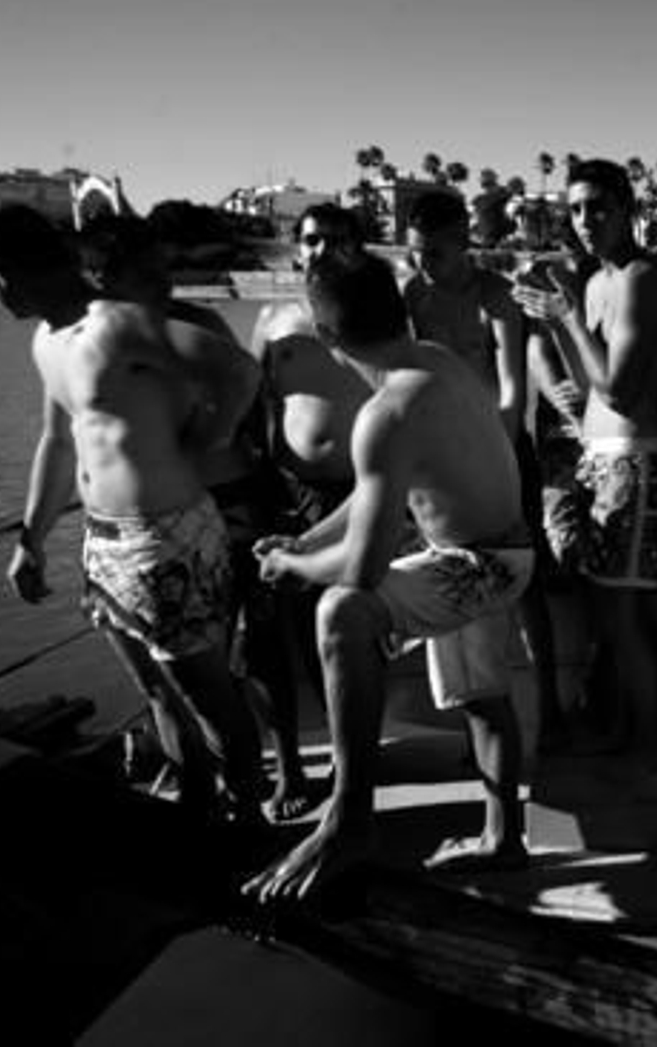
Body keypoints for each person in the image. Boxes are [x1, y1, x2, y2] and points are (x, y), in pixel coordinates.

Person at [243, 251, 535, 903]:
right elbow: (381, 489)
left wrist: (290, 565)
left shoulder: (386, 412)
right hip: (501, 555)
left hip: (478, 565)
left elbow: (364, 570)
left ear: (325, 338)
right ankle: (504, 841)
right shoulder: (435, 360)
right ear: (400, 311)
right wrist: (304, 538)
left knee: (341, 612)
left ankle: (350, 822)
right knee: (482, 699)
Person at [0, 203, 265, 821]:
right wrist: (30, 537)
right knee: (156, 692)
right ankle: (196, 808)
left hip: (164, 538)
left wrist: (206, 444)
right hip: (102, 541)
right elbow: (58, 441)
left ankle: (248, 816)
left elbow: (237, 370)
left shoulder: (118, 325)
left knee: (208, 696)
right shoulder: (47, 340)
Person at [78, 212, 316, 818]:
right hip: (151, 526)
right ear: (104, 278)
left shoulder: (198, 326)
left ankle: (287, 763)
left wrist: (200, 446)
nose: (164, 285)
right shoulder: (92, 342)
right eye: (147, 275)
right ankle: (197, 779)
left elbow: (246, 398)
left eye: (166, 272)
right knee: (169, 668)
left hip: (229, 498)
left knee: (260, 646)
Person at [513, 159, 657, 760]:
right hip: (599, 461)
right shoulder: (593, 283)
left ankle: (646, 740)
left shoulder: (642, 279)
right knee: (608, 620)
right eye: (577, 209)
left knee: (624, 622)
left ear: (628, 210)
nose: (586, 221)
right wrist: (554, 324)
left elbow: (618, 389)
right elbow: (588, 385)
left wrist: (563, 315)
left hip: (633, 466)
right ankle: (624, 728)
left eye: (599, 207)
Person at [402, 191, 563, 756]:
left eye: (437, 253)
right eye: (416, 253)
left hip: (498, 448)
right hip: (437, 458)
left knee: (528, 583)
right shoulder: (413, 296)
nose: (425, 265)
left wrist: (487, 448)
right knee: (448, 569)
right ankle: (473, 701)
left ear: (464, 245)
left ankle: (551, 701)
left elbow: (513, 388)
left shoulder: (493, 297)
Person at [247, 203, 373, 818]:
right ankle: (290, 765)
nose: (320, 250)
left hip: (351, 493)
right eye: (311, 240)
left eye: (334, 240)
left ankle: (354, 768)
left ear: (357, 246)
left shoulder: (371, 316)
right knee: (272, 636)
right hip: (283, 491)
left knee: (344, 629)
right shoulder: (272, 317)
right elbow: (256, 399)